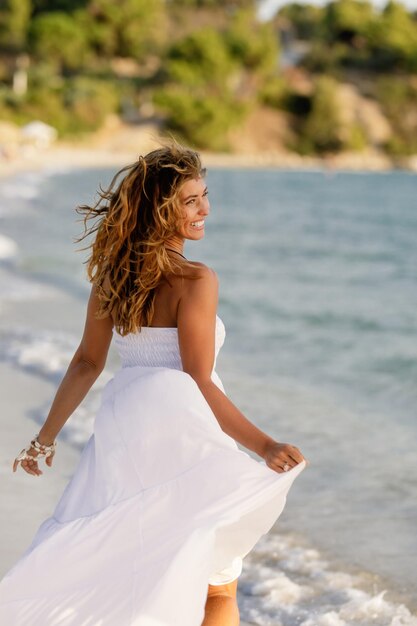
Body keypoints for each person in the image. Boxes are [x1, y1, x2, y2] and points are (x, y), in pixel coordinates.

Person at [0, 142, 306, 626]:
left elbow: (86, 362)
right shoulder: (196, 279)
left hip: (127, 428)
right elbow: (197, 378)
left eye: (205, 195)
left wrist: (45, 439)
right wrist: (263, 444)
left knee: (136, 566)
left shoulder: (113, 279)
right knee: (217, 585)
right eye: (190, 201)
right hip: (182, 424)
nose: (205, 209)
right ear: (161, 210)